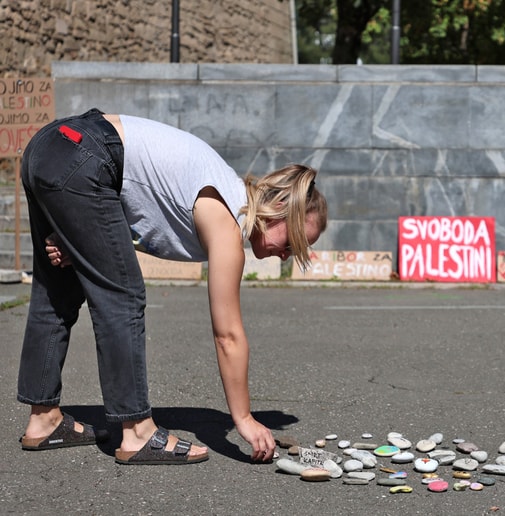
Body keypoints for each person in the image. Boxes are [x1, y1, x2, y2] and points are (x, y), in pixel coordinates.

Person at [17, 108, 327, 465]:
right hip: (85, 153)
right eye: (293, 243)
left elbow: (132, 205)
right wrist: (243, 419)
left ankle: (43, 420)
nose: (286, 256)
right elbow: (228, 335)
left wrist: (78, 239)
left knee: (57, 289)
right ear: (280, 209)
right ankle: (137, 432)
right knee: (123, 295)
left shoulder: (219, 190)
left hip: (51, 148)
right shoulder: (228, 218)